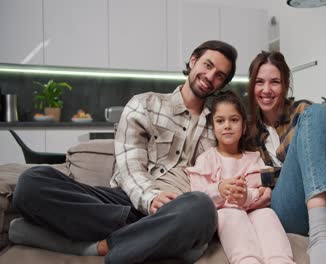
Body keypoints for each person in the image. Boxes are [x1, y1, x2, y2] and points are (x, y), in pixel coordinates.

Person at [10, 40, 238, 264]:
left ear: (222, 85)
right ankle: (160, 241)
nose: (210, 76)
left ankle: (104, 247)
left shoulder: (220, 124)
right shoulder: (144, 104)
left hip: (179, 209)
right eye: (208, 65)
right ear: (193, 61)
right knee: (31, 181)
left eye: (219, 75)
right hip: (123, 202)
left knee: (202, 208)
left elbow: (232, 170)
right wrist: (150, 198)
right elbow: (130, 168)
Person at [246, 51, 326, 264]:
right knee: (317, 112)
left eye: (275, 82)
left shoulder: (304, 113)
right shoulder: (248, 132)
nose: (266, 90)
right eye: (259, 82)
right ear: (252, 86)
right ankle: (320, 234)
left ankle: (320, 234)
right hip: (286, 208)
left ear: (286, 84)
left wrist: (265, 176)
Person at [186, 91, 295, 264]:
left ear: (244, 127)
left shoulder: (254, 158)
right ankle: (247, 260)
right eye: (220, 121)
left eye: (234, 120)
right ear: (213, 128)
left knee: (266, 214)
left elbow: (263, 191)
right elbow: (197, 196)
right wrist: (219, 189)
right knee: (232, 214)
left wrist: (247, 196)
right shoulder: (207, 159)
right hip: (225, 214)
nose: (227, 125)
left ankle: (280, 260)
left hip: (253, 210)